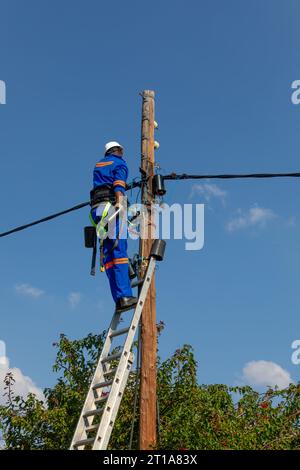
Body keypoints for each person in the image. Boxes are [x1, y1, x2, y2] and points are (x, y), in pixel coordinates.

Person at [90, 141, 137, 312]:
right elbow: (118, 185)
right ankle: (125, 296)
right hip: (111, 210)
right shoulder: (120, 163)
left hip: (97, 211)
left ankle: (118, 298)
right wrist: (121, 203)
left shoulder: (99, 165)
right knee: (119, 252)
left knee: (109, 257)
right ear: (119, 151)